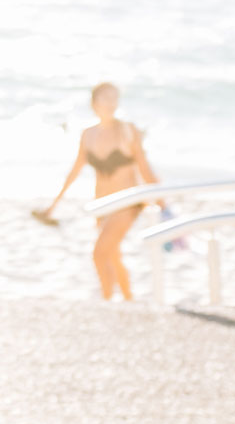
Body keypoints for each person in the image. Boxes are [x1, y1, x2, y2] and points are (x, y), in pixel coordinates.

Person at [33, 83, 162, 302]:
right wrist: (53, 206)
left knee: (99, 253)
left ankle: (107, 302)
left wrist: (162, 200)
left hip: (127, 202)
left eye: (115, 98)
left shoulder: (128, 131)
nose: (112, 103)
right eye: (106, 98)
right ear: (94, 103)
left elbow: (144, 166)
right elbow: (74, 172)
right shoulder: (87, 134)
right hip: (101, 204)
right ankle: (129, 300)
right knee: (112, 255)